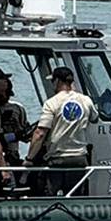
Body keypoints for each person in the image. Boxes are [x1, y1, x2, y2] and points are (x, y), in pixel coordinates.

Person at [26, 66, 99, 196]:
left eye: (53, 80)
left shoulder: (51, 103)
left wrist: (29, 159)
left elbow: (40, 133)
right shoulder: (86, 100)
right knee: (76, 195)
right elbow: (95, 118)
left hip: (58, 159)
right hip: (79, 158)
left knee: (50, 195)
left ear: (58, 81)